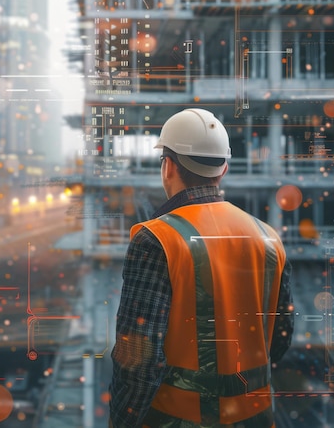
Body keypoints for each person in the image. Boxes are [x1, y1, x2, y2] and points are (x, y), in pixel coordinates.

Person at [109, 108, 294, 428]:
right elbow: (279, 339)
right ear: (222, 170)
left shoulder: (156, 240)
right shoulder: (268, 238)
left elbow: (138, 361)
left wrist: (120, 421)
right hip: (258, 419)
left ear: (167, 166)